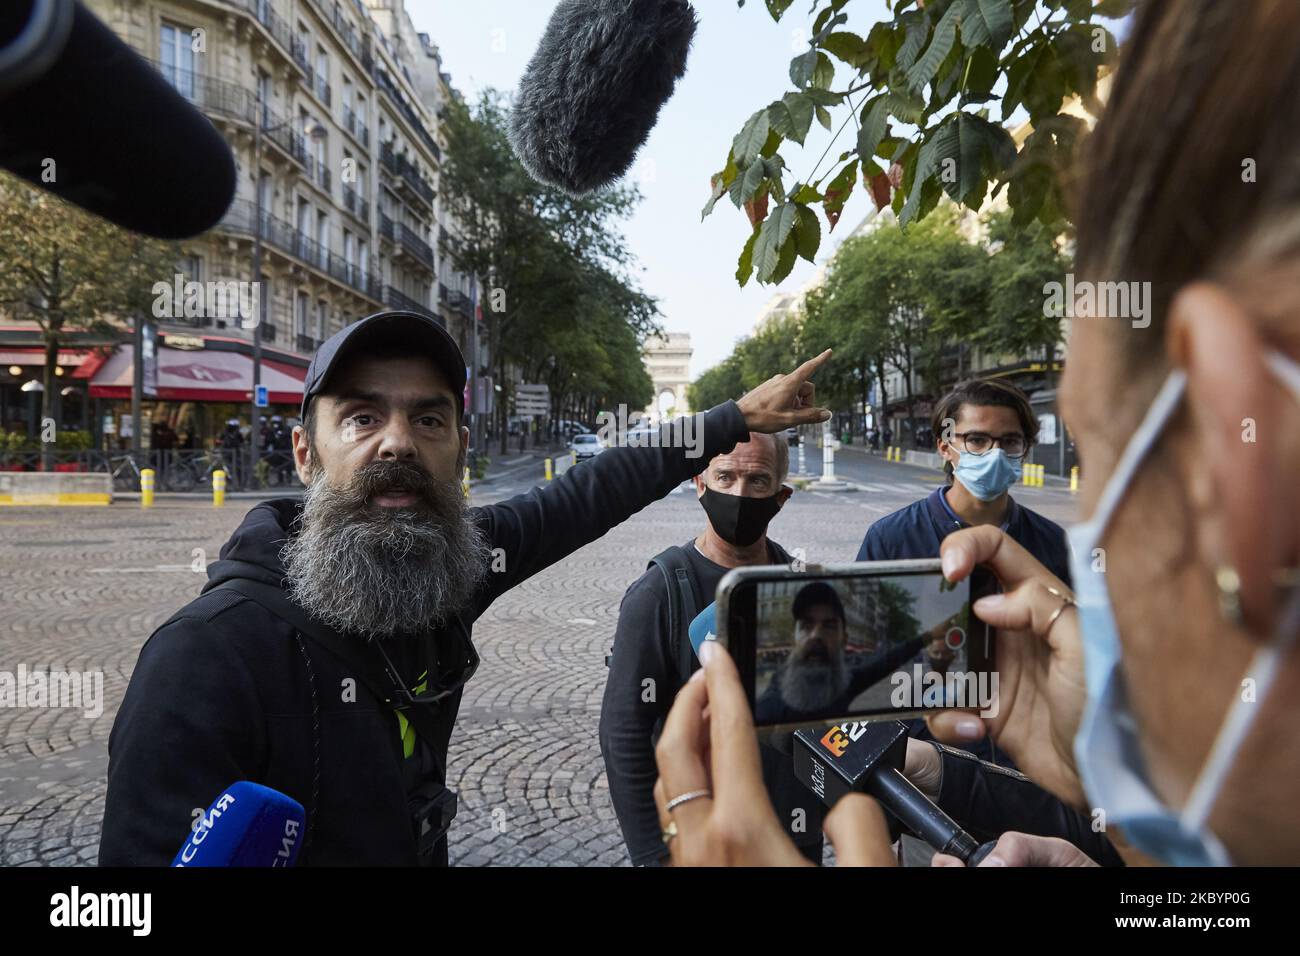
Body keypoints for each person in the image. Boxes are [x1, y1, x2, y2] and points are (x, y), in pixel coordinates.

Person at [659, 0, 1300, 867]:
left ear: (1235, 469)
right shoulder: (897, 540)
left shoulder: (1049, 552)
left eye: (1098, 455)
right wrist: (1091, 796)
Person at [98, 310, 833, 865]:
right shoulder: (202, 657)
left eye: (428, 418)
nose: (397, 441)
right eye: (361, 417)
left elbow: (592, 492)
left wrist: (731, 421)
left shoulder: (449, 568)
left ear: (458, 452)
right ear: (304, 452)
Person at [601, 429, 826, 865]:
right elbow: (623, 732)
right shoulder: (657, 593)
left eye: (757, 480)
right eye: (725, 477)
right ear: (700, 484)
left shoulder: (805, 584)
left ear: (781, 496)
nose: (739, 492)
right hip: (701, 845)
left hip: (791, 840)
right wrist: (655, 853)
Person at [857, 379, 1069, 585]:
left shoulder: (1053, 541)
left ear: (1026, 450)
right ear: (945, 447)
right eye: (977, 440)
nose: (995, 453)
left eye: (1010, 441)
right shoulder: (890, 538)